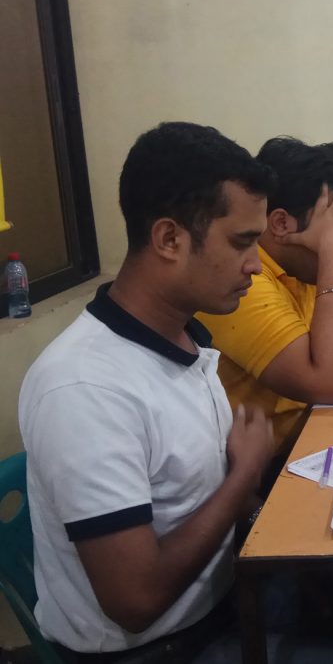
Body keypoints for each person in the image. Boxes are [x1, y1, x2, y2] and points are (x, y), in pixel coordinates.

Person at [18, 122, 277, 658]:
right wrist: (247, 472)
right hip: (162, 648)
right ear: (169, 239)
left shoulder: (184, 339)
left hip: (227, 603)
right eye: (242, 243)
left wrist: (285, 538)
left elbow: (195, 492)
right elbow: (134, 600)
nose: (255, 265)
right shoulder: (85, 387)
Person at [198, 137, 333, 451]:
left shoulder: (297, 267)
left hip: (305, 439)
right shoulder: (246, 282)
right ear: (282, 223)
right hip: (265, 472)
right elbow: (330, 385)